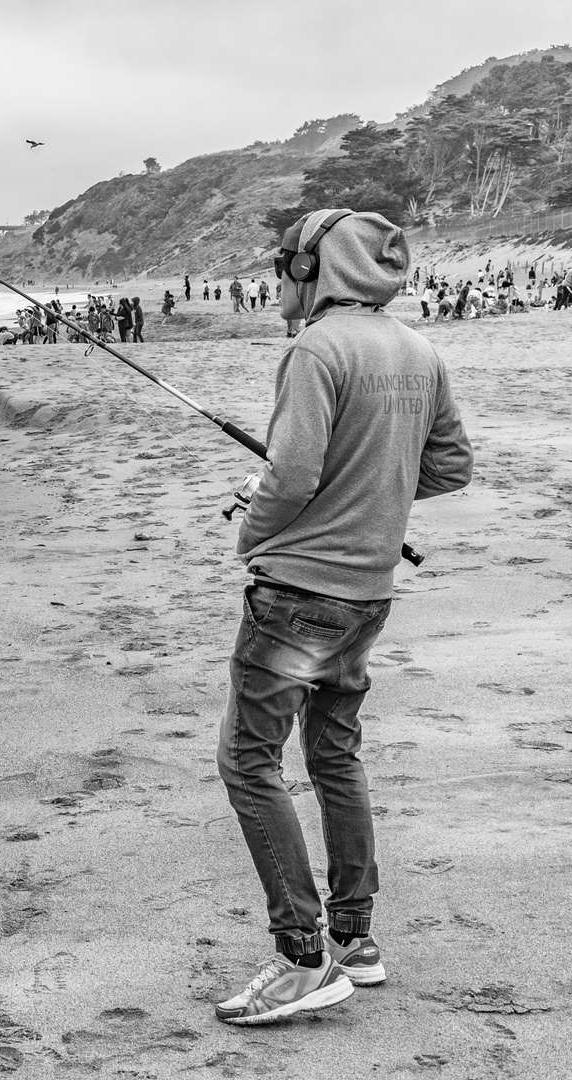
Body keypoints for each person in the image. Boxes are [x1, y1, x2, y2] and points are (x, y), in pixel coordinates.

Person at [214, 208, 472, 1025]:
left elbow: (289, 477)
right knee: (333, 755)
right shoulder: (417, 349)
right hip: (366, 594)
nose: (275, 277)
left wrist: (253, 528)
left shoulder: (315, 348)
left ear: (310, 269)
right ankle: (355, 941)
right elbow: (450, 465)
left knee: (249, 765)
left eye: (283, 263)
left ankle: (301, 956)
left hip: (296, 592)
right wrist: (371, 500)